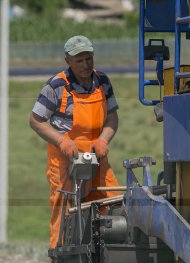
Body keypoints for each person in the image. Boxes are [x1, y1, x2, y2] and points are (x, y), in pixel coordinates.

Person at [29, 35, 121, 249]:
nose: (86, 64)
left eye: (89, 58)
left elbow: (113, 117)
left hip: (97, 158)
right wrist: (62, 141)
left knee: (114, 204)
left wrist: (103, 139)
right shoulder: (56, 87)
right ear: (68, 61)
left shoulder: (102, 81)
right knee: (64, 212)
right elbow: (36, 120)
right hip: (64, 162)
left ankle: (107, 255)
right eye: (79, 60)